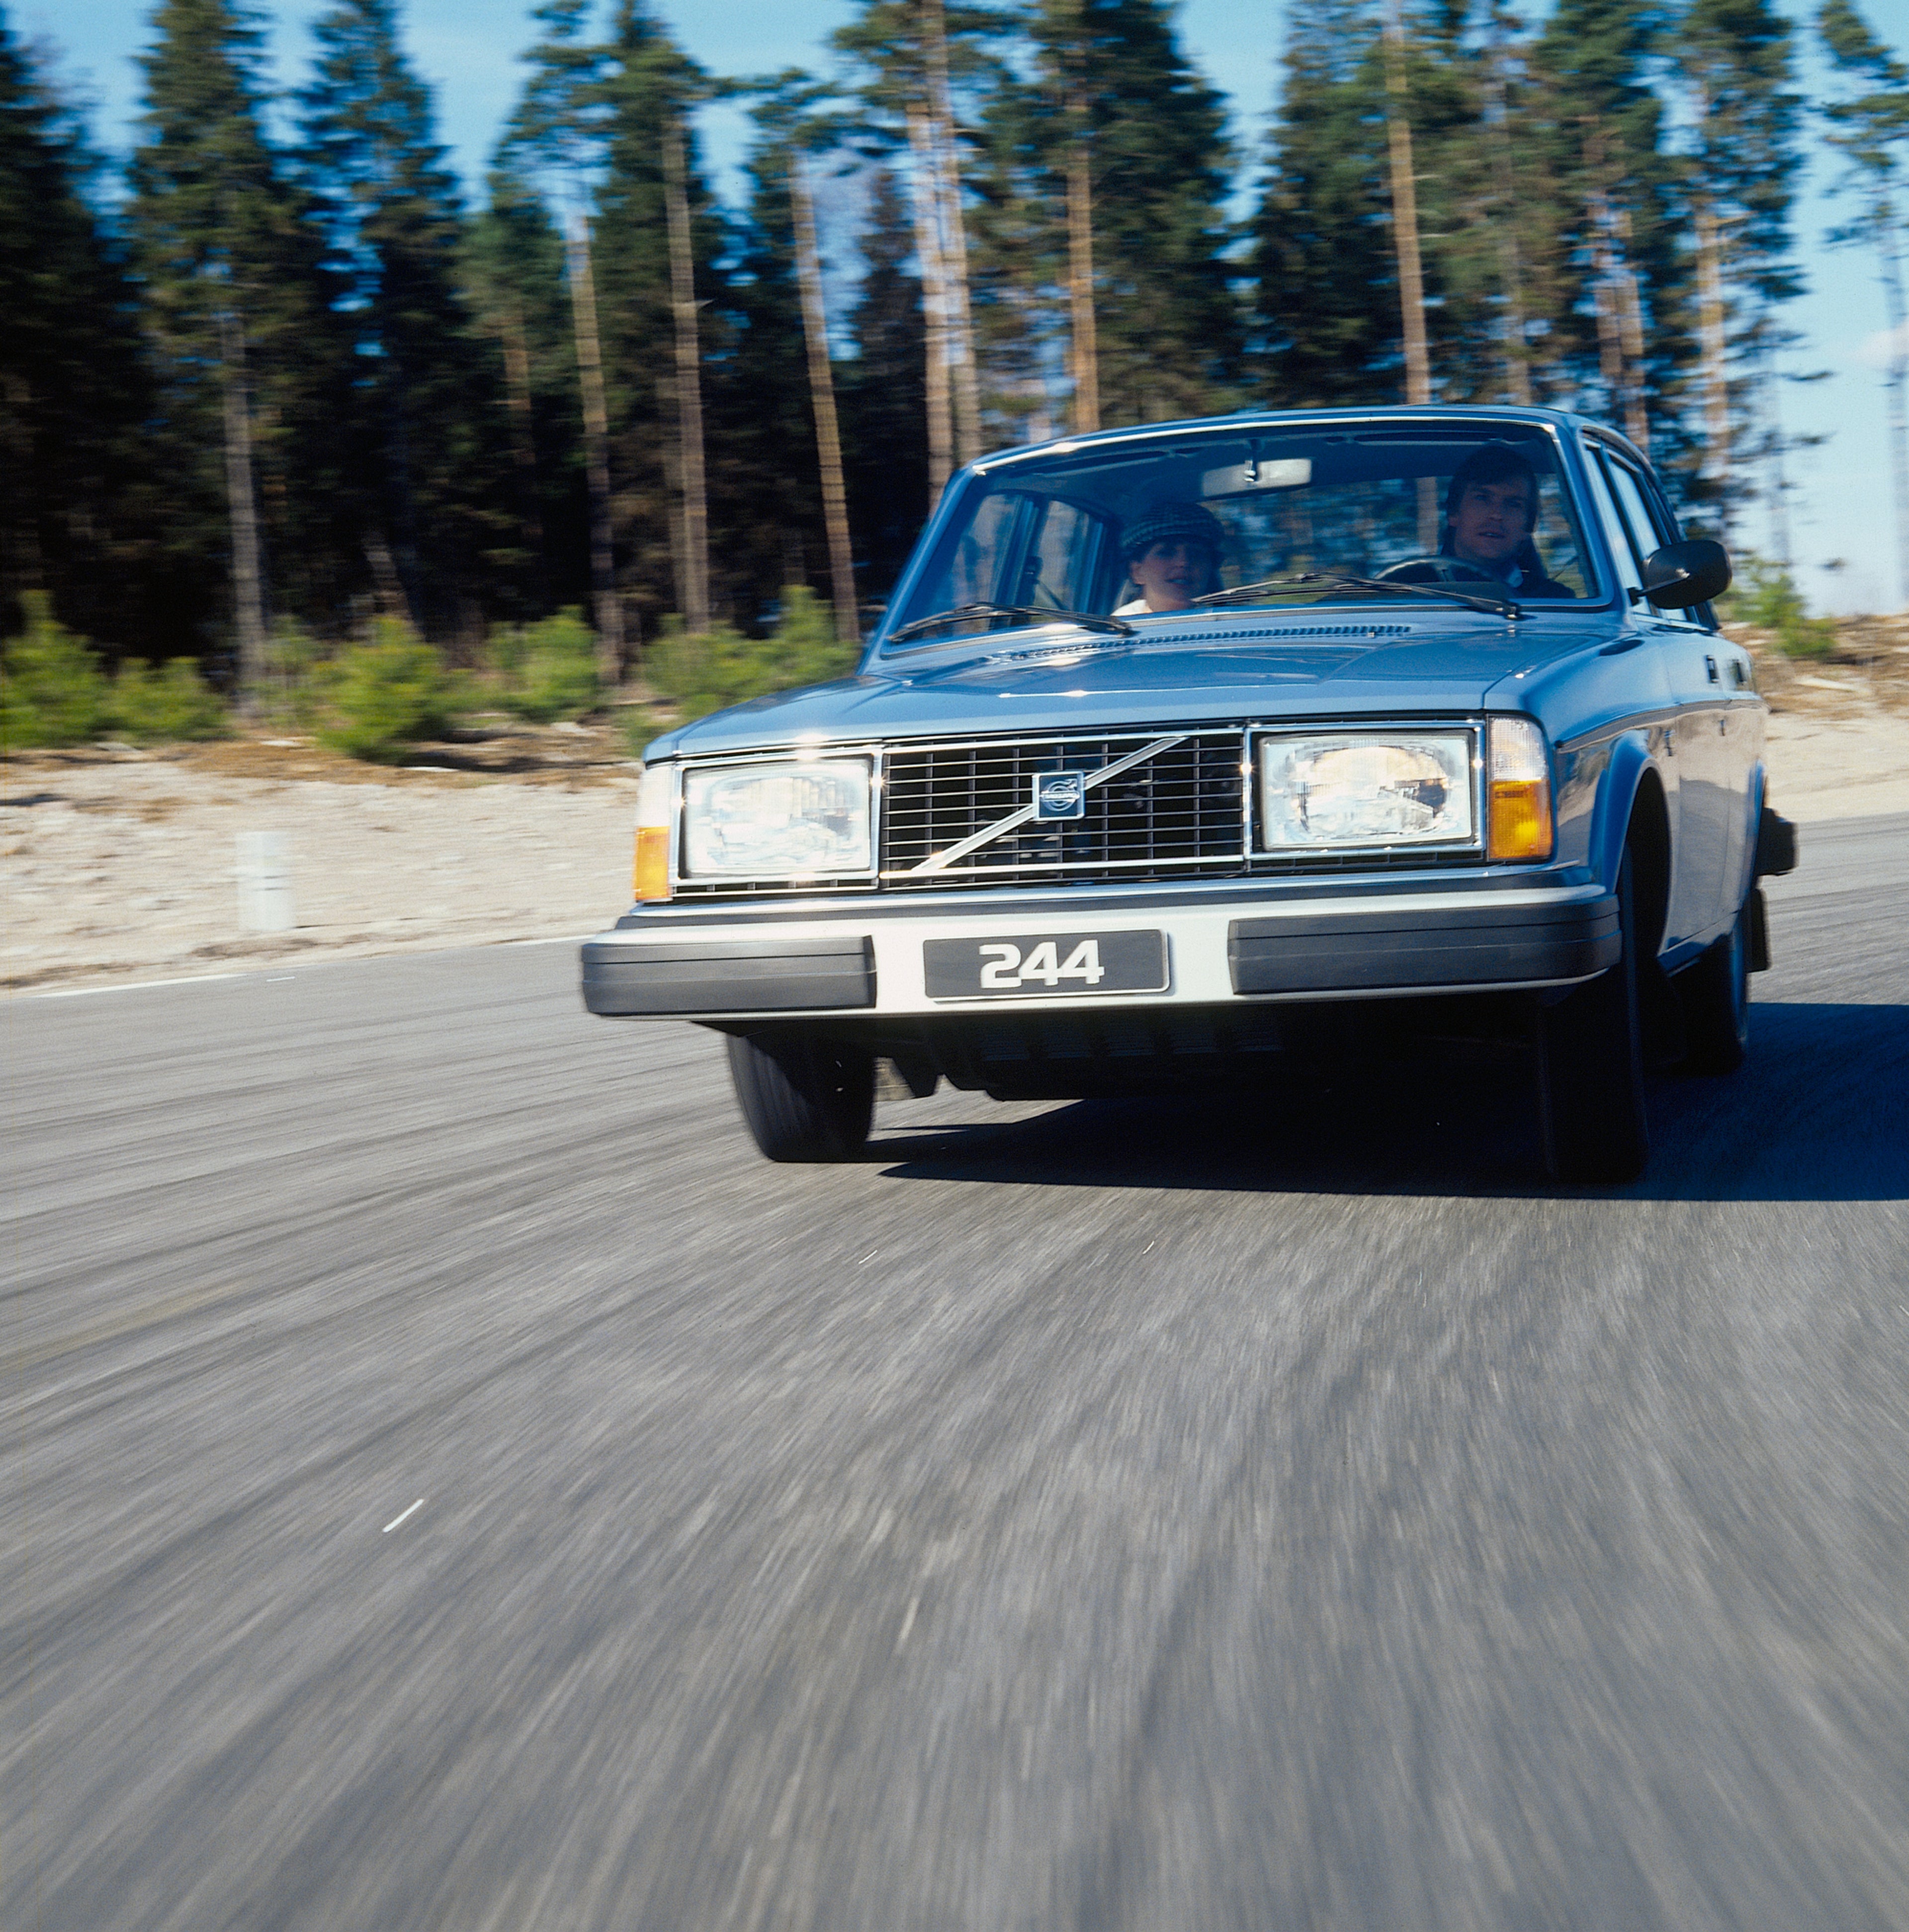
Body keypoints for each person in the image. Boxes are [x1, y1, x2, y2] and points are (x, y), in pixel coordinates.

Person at [1435, 441, 1575, 597]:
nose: (1497, 515)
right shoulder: (1408, 589)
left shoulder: (1556, 603)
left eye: (1513, 504)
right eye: (1483, 499)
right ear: (1454, 514)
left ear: (1528, 527)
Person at [1115, 502, 1226, 614]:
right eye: (1166, 553)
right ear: (1137, 572)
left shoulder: (1232, 622)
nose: (1184, 562)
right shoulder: (1116, 627)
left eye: (1196, 554)